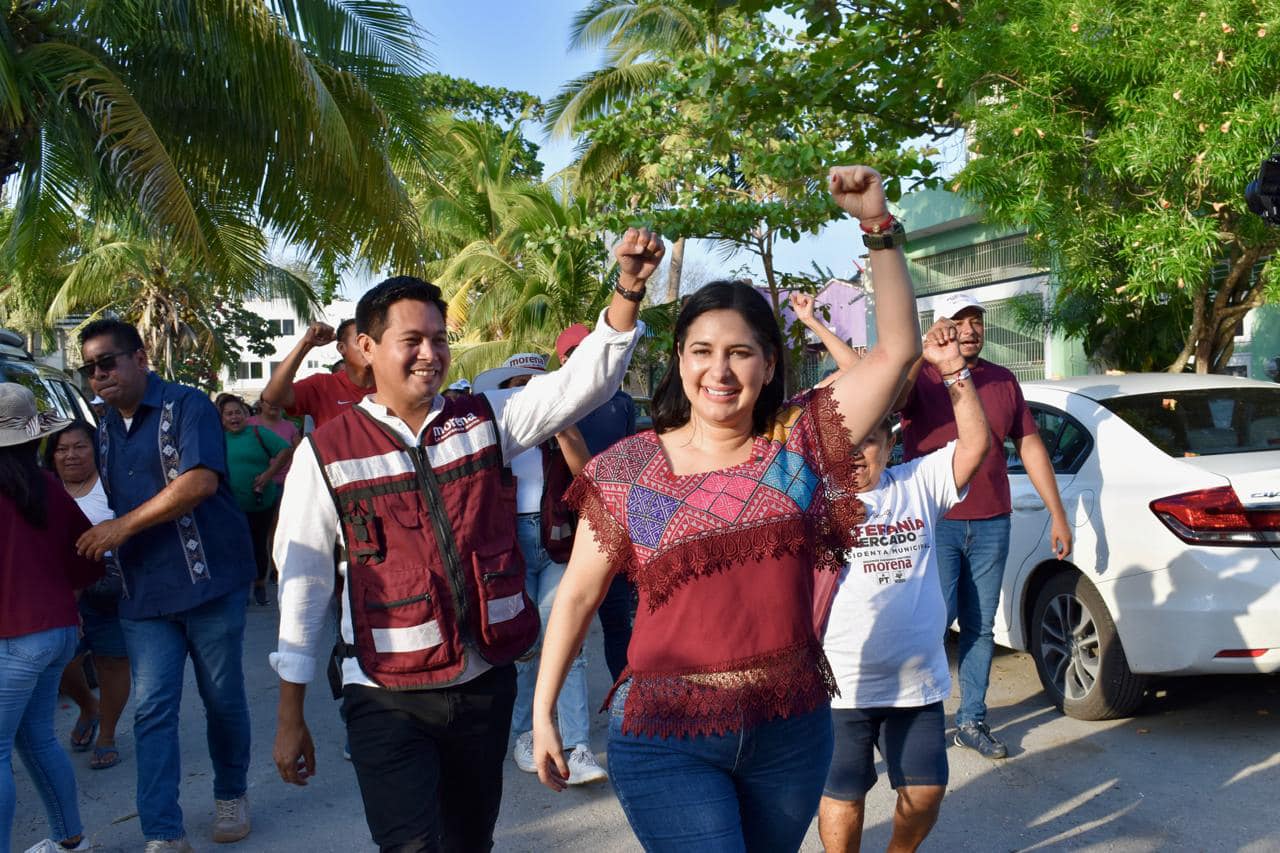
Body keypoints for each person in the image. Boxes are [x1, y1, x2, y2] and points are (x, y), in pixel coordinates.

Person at [531, 166, 922, 852]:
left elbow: (897, 352)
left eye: (741, 352)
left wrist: (877, 224)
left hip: (789, 730)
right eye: (703, 351)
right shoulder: (628, 470)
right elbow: (577, 597)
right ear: (679, 362)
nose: (721, 370)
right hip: (665, 735)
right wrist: (542, 714)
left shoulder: (799, 444)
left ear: (770, 365)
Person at [271, 232, 656, 853]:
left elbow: (579, 384)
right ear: (366, 349)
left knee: (471, 841)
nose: (431, 354)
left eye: (439, 339)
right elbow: (303, 585)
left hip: (482, 684)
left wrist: (628, 290)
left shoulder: (485, 422)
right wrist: (291, 717)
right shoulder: (326, 454)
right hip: (384, 696)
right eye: (412, 341)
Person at [76, 319, 256, 851]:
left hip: (209, 583)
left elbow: (199, 481)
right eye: (89, 368)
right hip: (144, 591)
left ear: (140, 356)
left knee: (222, 698)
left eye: (107, 361)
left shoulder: (187, 405)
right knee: (153, 708)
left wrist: (120, 528)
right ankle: (163, 831)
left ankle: (231, 793)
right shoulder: (102, 426)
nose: (99, 375)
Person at [813, 318, 991, 853]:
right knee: (842, 795)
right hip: (839, 682)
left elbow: (976, 443)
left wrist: (954, 371)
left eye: (869, 442)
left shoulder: (916, 483)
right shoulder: (810, 499)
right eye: (845, 444)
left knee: (928, 791)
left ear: (888, 445)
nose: (857, 454)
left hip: (916, 682)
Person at [895, 291, 1073, 759]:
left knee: (979, 625)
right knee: (933, 622)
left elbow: (1030, 445)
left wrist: (1058, 513)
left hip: (993, 520)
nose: (970, 329)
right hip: (936, 522)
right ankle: (916, 718)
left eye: (977, 320)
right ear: (941, 328)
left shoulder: (1002, 379)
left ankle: (972, 720)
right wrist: (920, 355)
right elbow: (889, 400)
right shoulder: (923, 378)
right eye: (959, 321)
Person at [472, 354, 605, 786]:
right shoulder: (494, 432)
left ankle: (577, 744)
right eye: (518, 384)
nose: (527, 391)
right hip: (509, 546)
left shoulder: (558, 428)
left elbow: (586, 476)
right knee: (522, 643)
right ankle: (526, 734)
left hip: (558, 541)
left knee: (567, 641)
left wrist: (562, 424)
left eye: (537, 384)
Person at [0, 383, 102, 853]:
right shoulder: (47, 487)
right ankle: (70, 841)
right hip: (58, 630)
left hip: (14, 635)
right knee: (37, 740)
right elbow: (88, 555)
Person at [44, 421, 131, 771]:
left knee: (112, 661)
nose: (71, 455)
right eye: (62, 449)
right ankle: (88, 707)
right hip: (59, 591)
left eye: (80, 446)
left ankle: (107, 734)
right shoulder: (43, 489)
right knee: (60, 661)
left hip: (109, 588)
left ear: (95, 449)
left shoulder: (113, 487)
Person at [555, 323, 637, 682]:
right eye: (578, 354)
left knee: (618, 618)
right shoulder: (553, 404)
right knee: (567, 625)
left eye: (594, 351)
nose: (590, 360)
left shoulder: (623, 404)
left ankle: (626, 697)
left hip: (614, 523)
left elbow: (631, 459)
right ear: (564, 361)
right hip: (565, 530)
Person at [218, 394, 293, 606]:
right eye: (229, 414)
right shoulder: (217, 438)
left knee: (258, 543)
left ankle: (260, 583)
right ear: (222, 419)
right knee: (235, 545)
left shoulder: (258, 433)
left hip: (260, 500)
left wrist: (268, 474)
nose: (234, 417)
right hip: (230, 504)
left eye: (238, 413)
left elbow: (285, 450)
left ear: (246, 415)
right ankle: (239, 588)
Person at [260, 318, 376, 428]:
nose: (368, 346)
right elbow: (272, 397)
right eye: (359, 341)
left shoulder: (391, 385)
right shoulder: (323, 385)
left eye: (373, 340)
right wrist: (306, 344)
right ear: (341, 348)